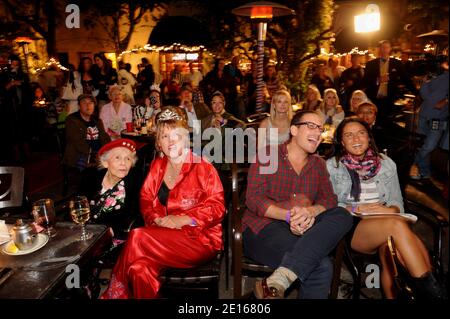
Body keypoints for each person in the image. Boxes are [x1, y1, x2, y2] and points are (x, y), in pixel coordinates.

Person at [101, 106, 226, 299]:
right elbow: (145, 199)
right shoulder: (157, 166)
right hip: (161, 236)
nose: (170, 141)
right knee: (138, 269)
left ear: (185, 136)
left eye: (175, 134)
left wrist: (183, 219)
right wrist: (157, 218)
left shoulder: (203, 167)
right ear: (158, 141)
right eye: (164, 136)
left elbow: (218, 208)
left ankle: (113, 294)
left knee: (137, 236)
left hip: (198, 239)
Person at [326, 117, 446, 299]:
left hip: (385, 223)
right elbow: (328, 205)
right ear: (342, 142)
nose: (356, 139)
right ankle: (436, 294)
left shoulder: (386, 163)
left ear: (369, 137)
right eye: (349, 135)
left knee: (391, 252)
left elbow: (397, 201)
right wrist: (355, 208)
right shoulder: (332, 166)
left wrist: (392, 210)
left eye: (361, 133)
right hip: (350, 226)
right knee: (397, 226)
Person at [243, 110, 353, 299]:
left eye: (320, 128)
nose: (318, 133)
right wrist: (289, 216)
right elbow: (254, 199)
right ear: (293, 130)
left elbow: (329, 199)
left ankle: (281, 277)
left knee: (342, 214)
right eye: (311, 126)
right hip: (264, 227)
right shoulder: (269, 154)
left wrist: (310, 211)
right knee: (322, 266)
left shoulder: (318, 164)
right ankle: (283, 276)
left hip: (305, 227)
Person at [78, 138, 142, 241]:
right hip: (83, 232)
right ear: (105, 163)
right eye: (117, 158)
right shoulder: (90, 176)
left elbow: (137, 215)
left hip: (113, 237)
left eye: (128, 159)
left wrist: (112, 231)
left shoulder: (136, 182)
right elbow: (78, 204)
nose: (123, 163)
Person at [362, 40, 416, 126]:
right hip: (374, 99)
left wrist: (417, 93)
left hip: (389, 99)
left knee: (387, 123)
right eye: (382, 47)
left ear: (390, 49)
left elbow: (406, 79)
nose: (384, 50)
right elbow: (365, 82)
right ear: (379, 49)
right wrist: (377, 80)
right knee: (373, 123)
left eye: (386, 47)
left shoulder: (397, 64)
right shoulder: (370, 64)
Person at [411, 68, 449, 180]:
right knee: (422, 144)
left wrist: (446, 100)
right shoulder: (434, 74)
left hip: (439, 118)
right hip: (424, 115)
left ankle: (412, 163)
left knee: (429, 146)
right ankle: (424, 171)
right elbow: (424, 94)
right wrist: (426, 81)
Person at [62, 94, 110, 175]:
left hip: (98, 152)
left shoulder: (97, 120)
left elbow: (104, 137)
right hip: (79, 154)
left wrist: (106, 151)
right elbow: (77, 142)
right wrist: (94, 154)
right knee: (98, 168)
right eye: (84, 103)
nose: (88, 105)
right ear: (79, 106)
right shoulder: (72, 120)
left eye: (91, 103)